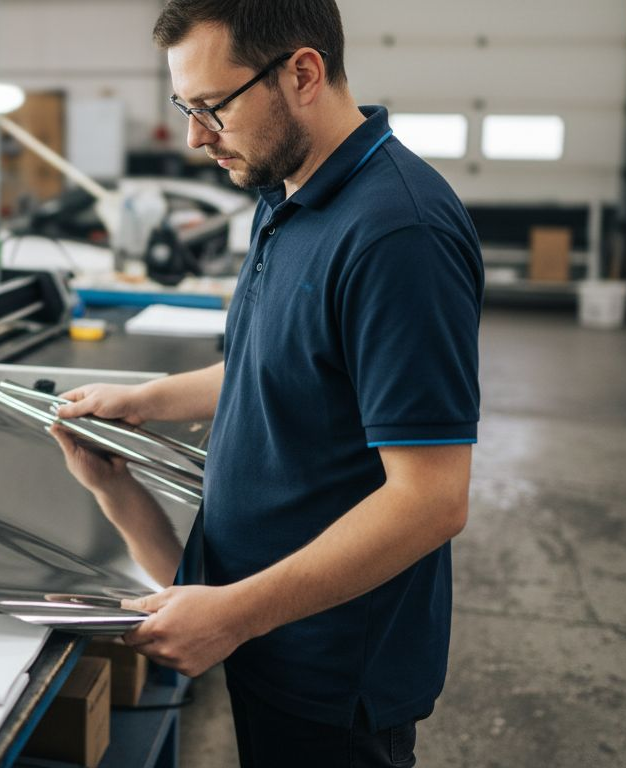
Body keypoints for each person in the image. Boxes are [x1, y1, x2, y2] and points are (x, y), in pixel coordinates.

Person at [54, 1, 483, 765]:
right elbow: (279, 361)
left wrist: (236, 614)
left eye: (212, 107)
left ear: (303, 73)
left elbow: (432, 499)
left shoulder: (397, 235)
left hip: (333, 668)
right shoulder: (284, 194)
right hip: (267, 636)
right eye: (187, 108)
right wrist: (143, 403)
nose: (194, 136)